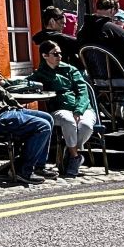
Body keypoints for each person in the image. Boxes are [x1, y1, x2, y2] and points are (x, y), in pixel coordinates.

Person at [0, 35, 54, 186]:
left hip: (3, 111)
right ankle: (23, 171)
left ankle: (38, 166)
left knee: (48, 118)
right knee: (42, 126)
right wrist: (16, 103)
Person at [77, 0, 124, 127]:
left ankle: (122, 108)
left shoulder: (82, 31)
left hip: (96, 80)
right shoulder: (116, 31)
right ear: (112, 10)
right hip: (121, 78)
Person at [28, 41, 96, 178]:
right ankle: (75, 157)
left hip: (83, 108)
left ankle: (71, 153)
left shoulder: (71, 70)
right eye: (55, 53)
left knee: (86, 126)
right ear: (45, 55)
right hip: (59, 109)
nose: (59, 56)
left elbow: (83, 92)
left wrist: (79, 110)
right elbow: (26, 82)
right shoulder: (41, 73)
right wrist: (4, 82)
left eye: (60, 53)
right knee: (68, 121)